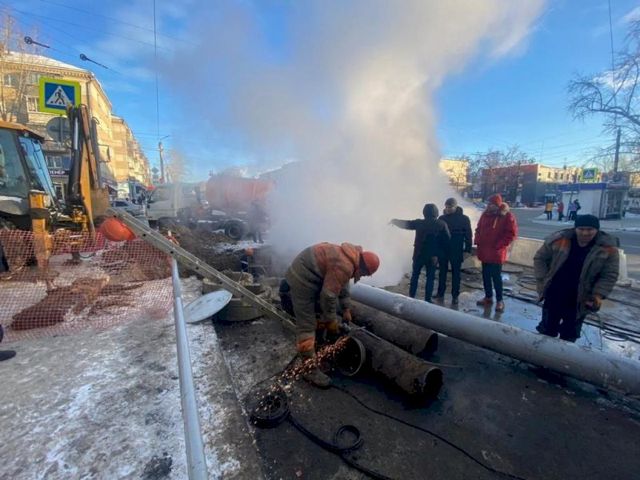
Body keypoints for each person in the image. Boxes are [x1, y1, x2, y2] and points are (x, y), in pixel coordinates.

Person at [284, 242, 380, 388]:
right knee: (307, 325)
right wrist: (332, 322)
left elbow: (343, 286)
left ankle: (317, 350)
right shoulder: (344, 265)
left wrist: (346, 309)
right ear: (363, 268)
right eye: (365, 274)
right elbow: (328, 297)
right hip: (302, 281)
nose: (362, 276)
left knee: (320, 316)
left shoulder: (351, 260)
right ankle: (309, 369)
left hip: (311, 278)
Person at [533, 214, 619, 342]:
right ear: (575, 228)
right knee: (547, 329)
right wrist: (542, 279)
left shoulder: (608, 248)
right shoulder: (560, 239)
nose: (585, 233)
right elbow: (540, 258)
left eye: (590, 229)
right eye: (581, 229)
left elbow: (609, 275)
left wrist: (598, 295)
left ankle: (563, 354)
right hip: (554, 292)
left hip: (580, 298)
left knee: (569, 334)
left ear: (597, 230)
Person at [391, 204, 450, 303]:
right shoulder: (441, 224)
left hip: (418, 254)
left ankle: (411, 296)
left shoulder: (419, 223)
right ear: (436, 213)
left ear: (424, 213)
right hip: (433, 256)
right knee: (430, 278)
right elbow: (447, 239)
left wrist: (394, 221)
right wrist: (441, 252)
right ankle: (427, 299)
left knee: (415, 276)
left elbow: (406, 224)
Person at [474, 194, 518, 312]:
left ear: (498, 205)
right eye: (489, 204)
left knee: (496, 277)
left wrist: (499, 245)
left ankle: (500, 300)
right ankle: (488, 297)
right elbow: (478, 229)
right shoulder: (485, 215)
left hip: (496, 252)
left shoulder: (506, 216)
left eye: (492, 204)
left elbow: (511, 234)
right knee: (485, 276)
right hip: (484, 250)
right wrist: (477, 240)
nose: (489, 206)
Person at [434, 198, 472, 305]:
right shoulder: (442, 218)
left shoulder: (464, 219)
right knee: (442, 272)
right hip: (443, 249)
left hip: (456, 249)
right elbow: (437, 235)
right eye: (446, 207)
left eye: (450, 207)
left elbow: (468, 235)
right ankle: (440, 293)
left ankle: (455, 296)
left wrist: (467, 250)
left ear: (455, 207)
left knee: (456, 274)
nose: (447, 209)